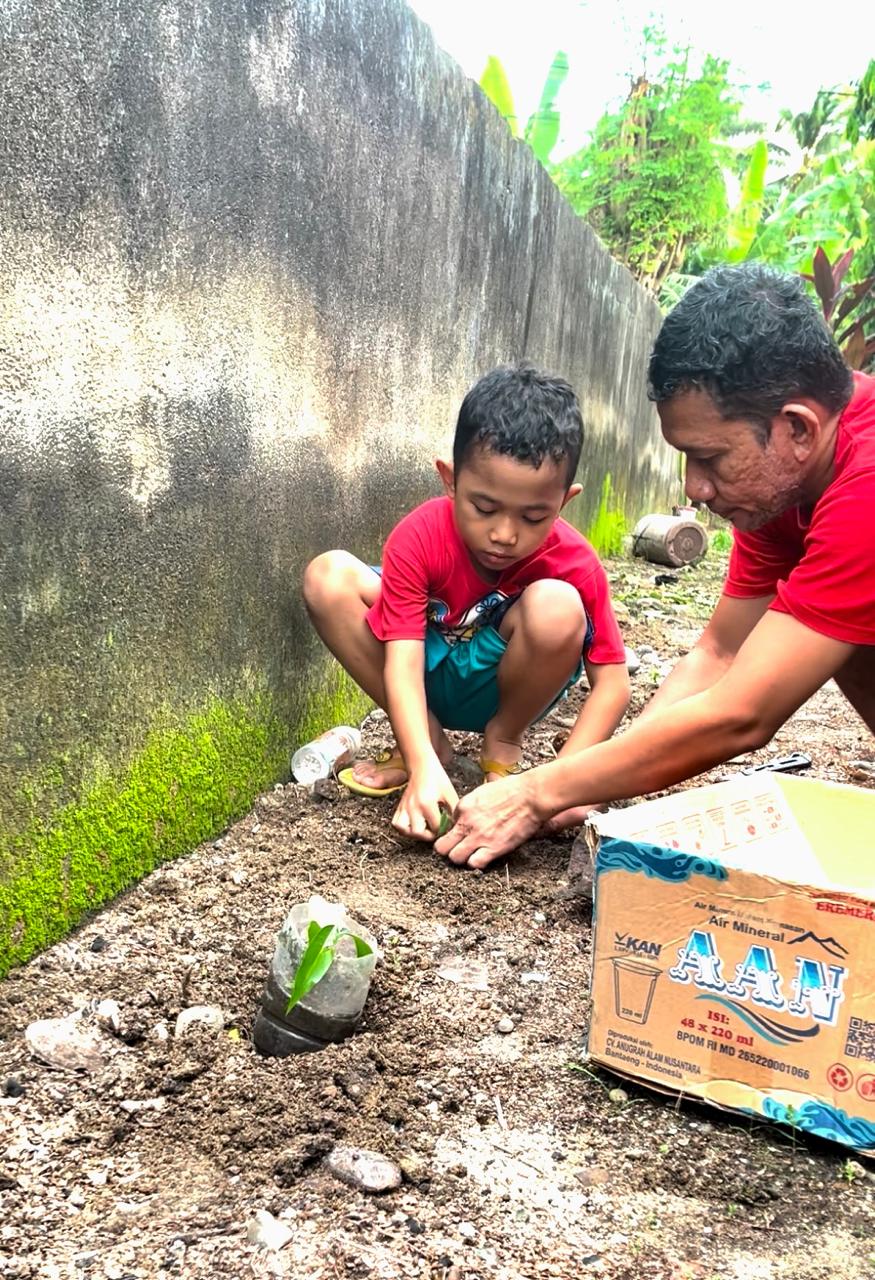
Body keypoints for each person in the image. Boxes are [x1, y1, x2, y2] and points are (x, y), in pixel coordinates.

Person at [435, 263, 875, 869]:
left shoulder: (863, 490)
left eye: (710, 458)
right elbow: (720, 655)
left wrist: (537, 792)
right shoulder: (787, 481)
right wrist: (585, 783)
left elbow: (743, 713)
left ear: (797, 427)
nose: (695, 488)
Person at [302, 363, 631, 840]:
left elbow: (613, 686)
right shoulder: (420, 536)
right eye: (484, 508)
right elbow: (403, 659)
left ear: (565, 501)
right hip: (419, 671)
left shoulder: (575, 562)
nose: (504, 534)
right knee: (328, 576)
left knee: (559, 606)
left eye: (534, 517)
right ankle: (427, 743)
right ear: (450, 480)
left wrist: (565, 785)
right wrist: (422, 764)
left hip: (504, 688)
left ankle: (503, 743)